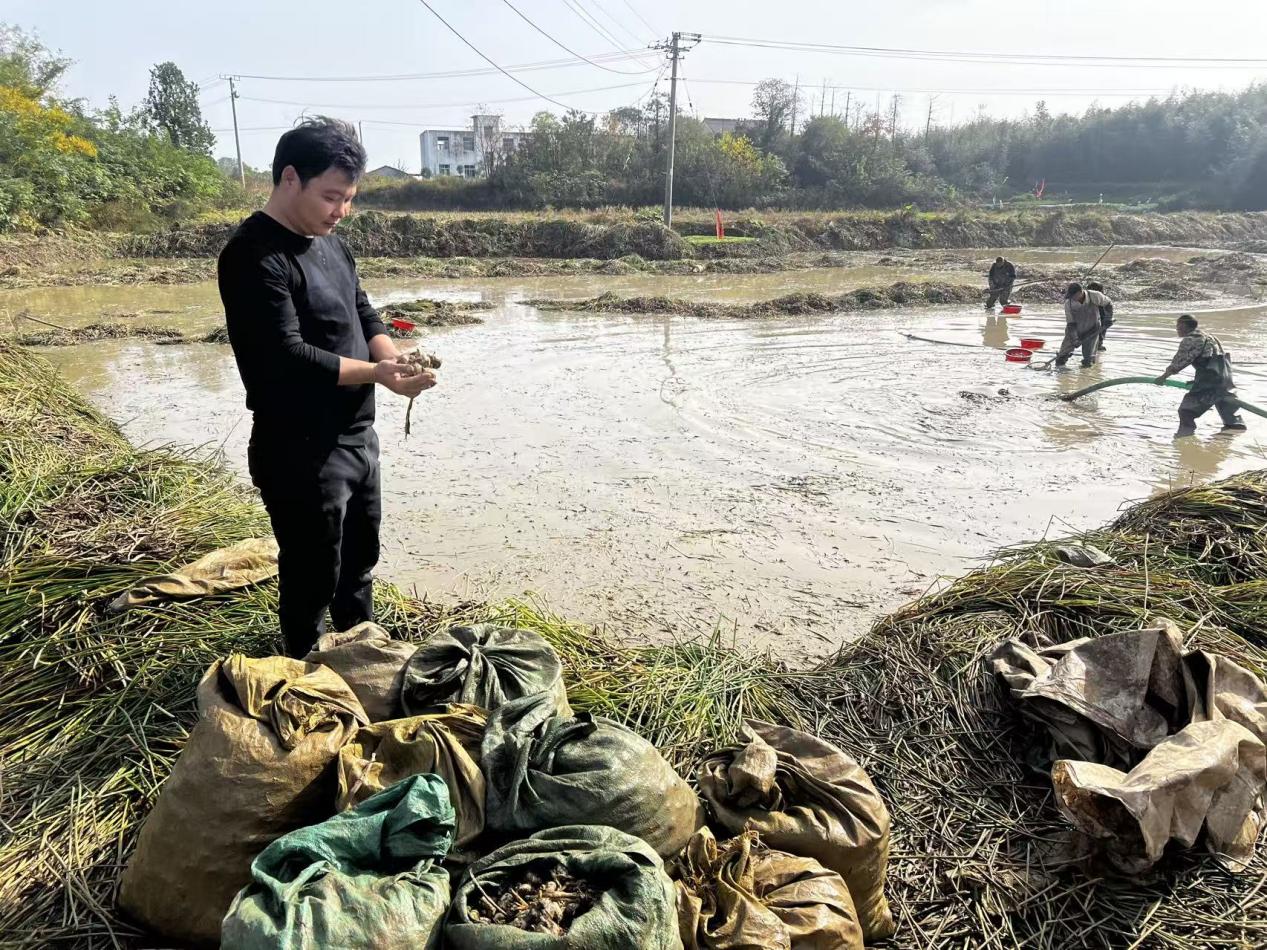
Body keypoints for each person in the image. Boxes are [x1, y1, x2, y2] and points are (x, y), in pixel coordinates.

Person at [218, 117, 437, 657]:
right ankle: (304, 664)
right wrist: (377, 375)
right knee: (313, 573)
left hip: (358, 436)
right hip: (299, 447)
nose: (341, 211)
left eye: (349, 199)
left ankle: (361, 654)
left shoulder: (332, 245)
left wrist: (392, 359)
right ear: (290, 178)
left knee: (359, 563)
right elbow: (285, 355)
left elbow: (362, 311)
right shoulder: (253, 255)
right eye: (331, 197)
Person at [1155, 314, 1246, 438]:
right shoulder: (1210, 337)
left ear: (1184, 326)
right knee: (1230, 417)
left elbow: (1179, 362)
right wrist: (1197, 380)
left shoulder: (1191, 339)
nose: (1177, 328)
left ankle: (1184, 439)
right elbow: (1212, 361)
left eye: (1178, 325)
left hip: (1210, 382)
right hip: (1225, 380)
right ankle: (1232, 436)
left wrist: (1163, 377)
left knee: (1186, 411)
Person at [1054, 282, 1112, 368]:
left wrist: (1108, 318)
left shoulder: (1094, 295)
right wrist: (1075, 339)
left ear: (1080, 292)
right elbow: (1071, 323)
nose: (1072, 298)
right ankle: (1061, 369)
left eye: (1074, 296)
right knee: (1061, 357)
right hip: (1075, 330)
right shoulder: (1068, 303)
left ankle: (1086, 373)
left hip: (1092, 329)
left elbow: (1108, 304)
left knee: (1088, 360)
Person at [1086, 280, 1114, 352]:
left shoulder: (1100, 298)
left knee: (1102, 324)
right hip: (1095, 308)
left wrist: (1107, 319)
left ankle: (1099, 343)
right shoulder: (1087, 296)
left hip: (1105, 308)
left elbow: (1104, 315)